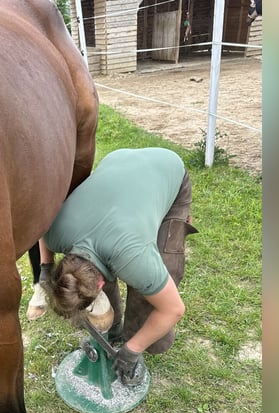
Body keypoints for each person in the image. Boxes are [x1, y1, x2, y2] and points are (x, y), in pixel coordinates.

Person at [42, 147, 197, 384]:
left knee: (152, 296)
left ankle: (138, 339)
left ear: (102, 282)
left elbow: (173, 309)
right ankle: (113, 332)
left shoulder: (134, 259)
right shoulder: (57, 235)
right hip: (119, 160)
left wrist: (132, 349)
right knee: (104, 269)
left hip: (166, 169)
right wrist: (45, 266)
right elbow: (43, 234)